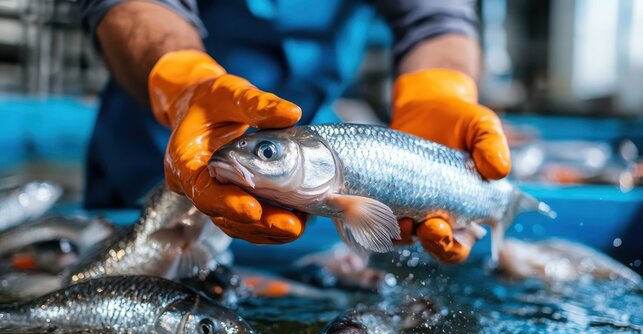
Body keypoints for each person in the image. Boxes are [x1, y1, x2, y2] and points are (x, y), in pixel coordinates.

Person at [80, 0, 511, 264]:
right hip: (164, 138)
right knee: (134, 257)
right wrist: (184, 86)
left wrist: (435, 92)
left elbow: (437, 16)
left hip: (316, 141)